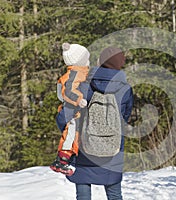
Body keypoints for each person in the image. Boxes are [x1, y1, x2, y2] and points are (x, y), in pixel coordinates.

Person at [56, 46, 133, 200]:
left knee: (83, 193)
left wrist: (69, 133)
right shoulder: (125, 89)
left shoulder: (83, 85)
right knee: (114, 194)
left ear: (99, 61)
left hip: (85, 149)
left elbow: (65, 117)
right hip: (113, 149)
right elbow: (124, 117)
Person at [50, 42, 90, 176]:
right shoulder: (75, 73)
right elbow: (68, 91)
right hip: (73, 110)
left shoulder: (78, 71)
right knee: (71, 133)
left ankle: (65, 159)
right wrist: (79, 99)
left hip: (73, 110)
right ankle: (63, 160)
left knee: (73, 134)